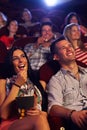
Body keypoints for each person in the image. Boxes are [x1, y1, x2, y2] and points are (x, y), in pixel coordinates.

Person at [0, 47, 50, 130]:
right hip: (12, 124)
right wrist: (17, 84)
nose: (21, 60)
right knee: (39, 119)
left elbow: (45, 111)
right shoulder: (3, 82)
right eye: (15, 58)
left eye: (23, 56)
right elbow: (3, 115)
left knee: (41, 117)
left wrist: (39, 112)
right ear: (10, 63)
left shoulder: (36, 81)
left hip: (35, 122)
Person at [47, 36, 87, 130]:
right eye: (63, 48)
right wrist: (72, 114)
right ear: (56, 57)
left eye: (69, 45)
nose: (69, 48)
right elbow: (53, 108)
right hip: (78, 118)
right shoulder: (56, 80)